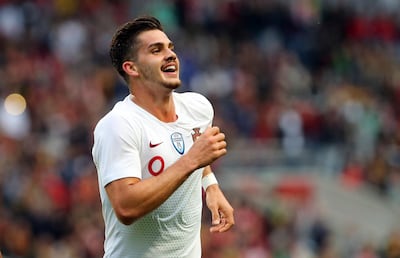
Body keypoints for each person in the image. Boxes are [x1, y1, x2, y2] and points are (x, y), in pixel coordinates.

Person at [91, 15, 235, 258]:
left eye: (170, 48)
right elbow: (126, 207)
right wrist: (191, 160)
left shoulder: (198, 108)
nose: (170, 55)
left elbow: (196, 149)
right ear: (132, 67)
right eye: (156, 50)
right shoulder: (119, 125)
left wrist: (210, 186)